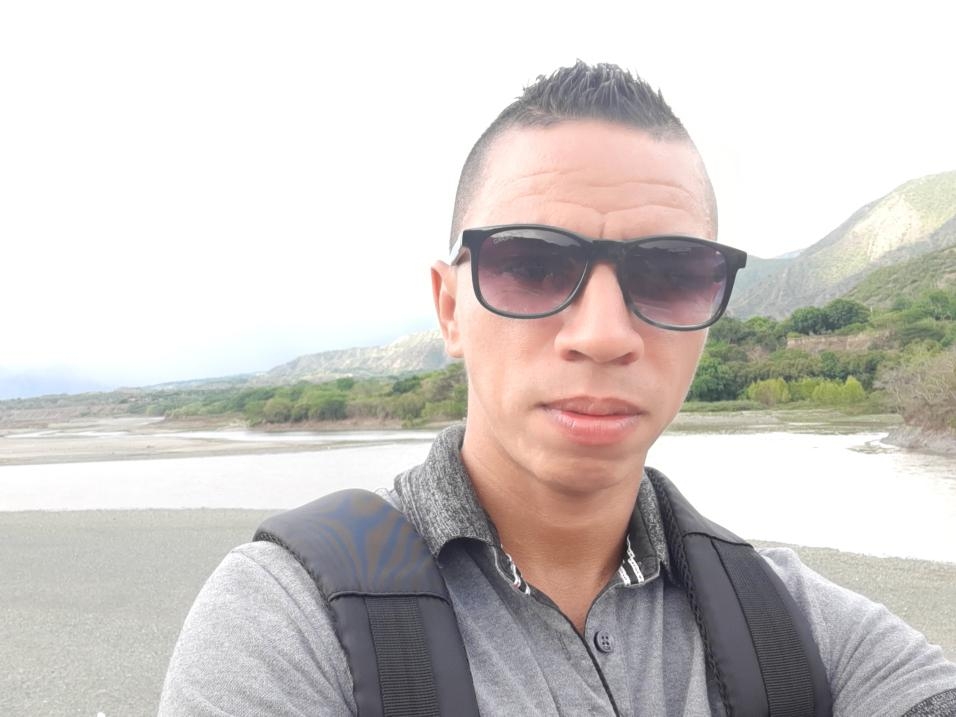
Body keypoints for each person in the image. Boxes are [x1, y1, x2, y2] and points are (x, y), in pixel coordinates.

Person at [160, 62, 956, 715]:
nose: (603, 334)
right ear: (450, 308)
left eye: (670, 273)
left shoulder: (796, 626)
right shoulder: (292, 622)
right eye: (533, 265)